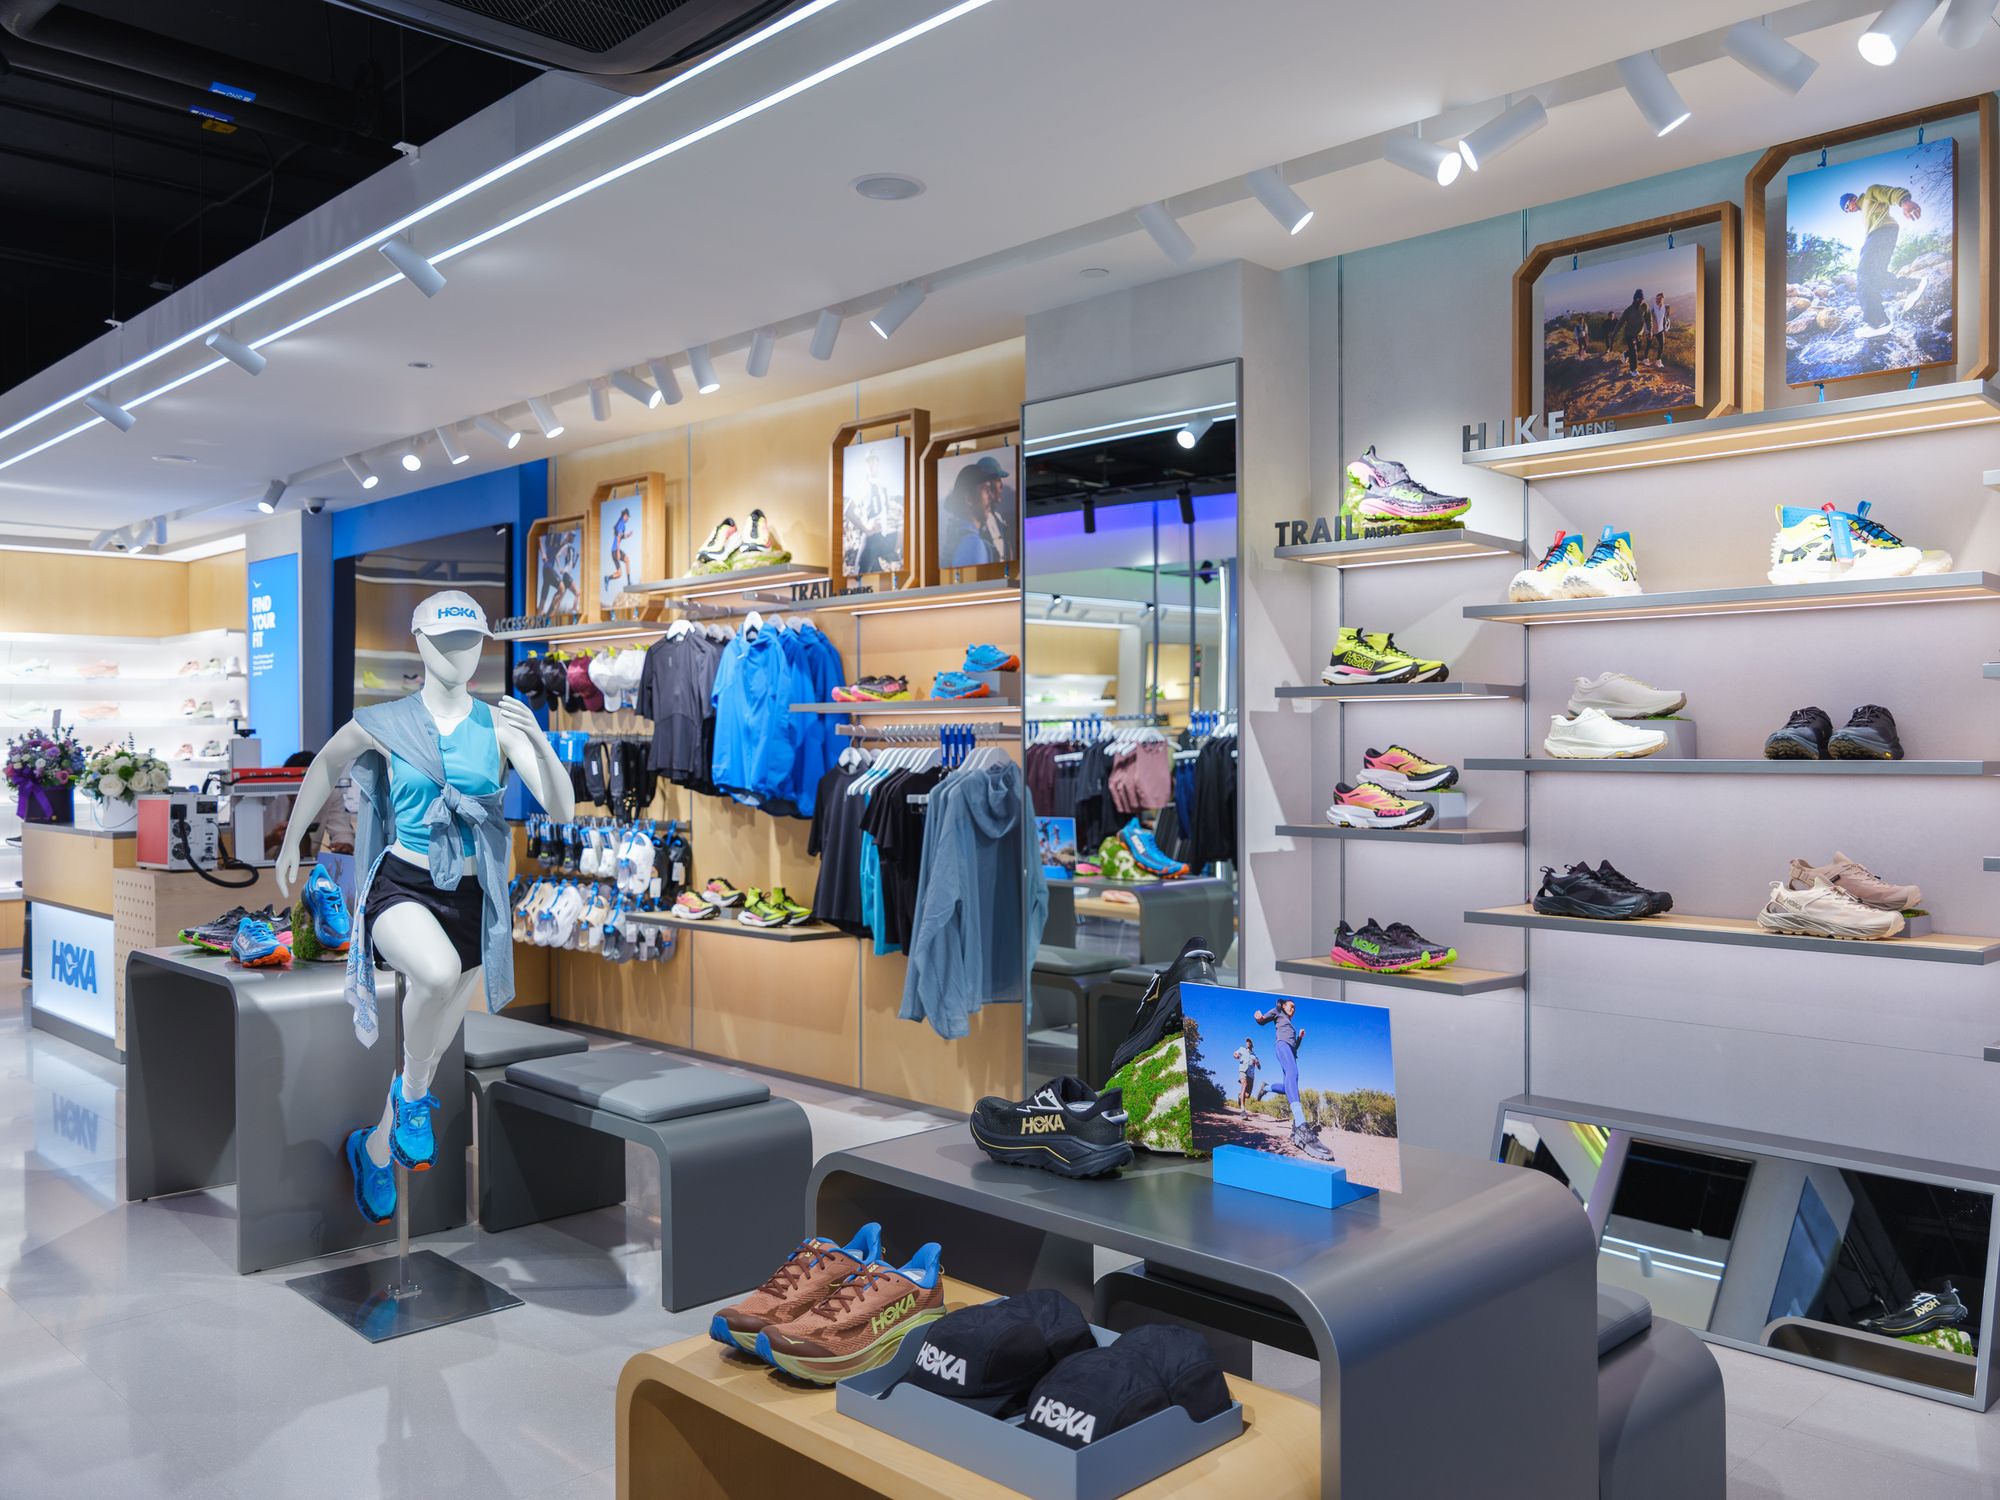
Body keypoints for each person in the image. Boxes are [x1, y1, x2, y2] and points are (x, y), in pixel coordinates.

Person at [1252, 996, 1333, 1160]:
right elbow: (1262, 1021)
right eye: (1291, 1005)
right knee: (1293, 1075)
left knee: (1288, 1088)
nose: (1293, 1009)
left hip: (1290, 1051)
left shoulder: (1291, 1026)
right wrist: (1259, 1018)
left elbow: (1294, 1047)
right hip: (1281, 1046)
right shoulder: (1278, 1012)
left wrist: (1300, 1038)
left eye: (1295, 1007)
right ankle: (1300, 1125)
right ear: (1283, 1005)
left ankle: (1265, 1087)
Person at [1842, 185, 1926, 339]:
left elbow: (1889, 193)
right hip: (1882, 234)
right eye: (1846, 211)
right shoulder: (1866, 211)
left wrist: (1904, 201)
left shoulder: (1869, 194)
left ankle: (1878, 322)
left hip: (1880, 233)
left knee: (1863, 273)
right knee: (1875, 276)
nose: (1849, 210)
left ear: (1853, 198)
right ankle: (1912, 285)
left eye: (1847, 206)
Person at [938, 455, 1011, 568]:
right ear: (969, 499)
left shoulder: (959, 537)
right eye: (986, 490)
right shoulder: (972, 544)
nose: (991, 496)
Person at [1614, 288, 1649, 375]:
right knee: (1633, 351)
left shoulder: (1644, 307)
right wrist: (1614, 333)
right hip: (1629, 334)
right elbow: (1620, 322)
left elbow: (1649, 319)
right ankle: (1633, 369)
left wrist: (1650, 330)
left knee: (1638, 348)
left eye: (1642, 299)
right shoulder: (1628, 310)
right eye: (1639, 299)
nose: (1641, 301)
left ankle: (1625, 354)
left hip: (1639, 334)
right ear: (1635, 299)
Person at [604, 505, 635, 597]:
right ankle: (629, 582)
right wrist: (618, 551)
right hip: (615, 550)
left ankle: (608, 578)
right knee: (627, 560)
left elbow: (621, 536)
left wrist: (627, 535)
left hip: (613, 551)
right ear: (625, 515)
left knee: (619, 574)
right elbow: (618, 538)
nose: (628, 519)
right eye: (628, 517)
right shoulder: (621, 524)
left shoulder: (621, 524)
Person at [1233, 1036, 1261, 1113]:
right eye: (1247, 1041)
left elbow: (1259, 1067)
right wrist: (1236, 1055)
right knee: (1244, 1085)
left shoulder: (1254, 1056)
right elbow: (1235, 1053)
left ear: (1252, 1045)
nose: (1248, 1042)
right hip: (1243, 1071)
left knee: (1248, 1095)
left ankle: (1240, 1096)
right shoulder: (1242, 1049)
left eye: (1249, 1041)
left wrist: (1257, 1063)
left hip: (1251, 1075)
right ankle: (1243, 1110)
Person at [1649, 292, 1671, 368]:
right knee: (1648, 345)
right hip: (1652, 330)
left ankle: (1658, 360)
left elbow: (1667, 317)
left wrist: (1666, 327)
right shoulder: (1653, 307)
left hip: (1660, 330)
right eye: (1657, 298)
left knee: (1661, 344)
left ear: (1662, 300)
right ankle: (1627, 355)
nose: (1658, 300)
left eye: (1660, 299)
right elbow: (1648, 318)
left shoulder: (1665, 307)